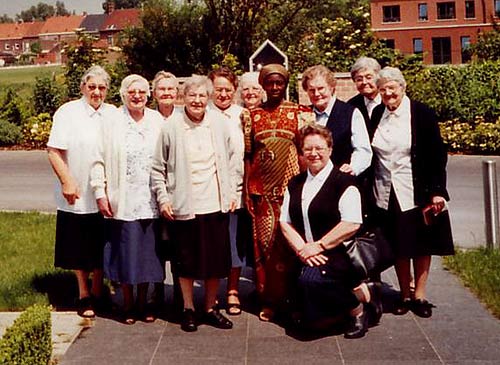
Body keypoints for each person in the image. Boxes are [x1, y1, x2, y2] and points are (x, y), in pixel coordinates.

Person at [151, 75, 239, 332]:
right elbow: (158, 167)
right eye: (192, 96)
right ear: (183, 98)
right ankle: (188, 308)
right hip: (184, 206)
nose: (197, 100)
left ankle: (210, 308)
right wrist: (164, 197)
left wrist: (232, 193)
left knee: (215, 262)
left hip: (216, 203)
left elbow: (233, 162)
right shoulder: (172, 127)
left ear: (208, 98)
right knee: (186, 261)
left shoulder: (220, 124)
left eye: (202, 96)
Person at [280, 124, 380, 338]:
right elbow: (284, 222)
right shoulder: (295, 183)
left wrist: (319, 246)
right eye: (308, 149)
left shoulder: (344, 182)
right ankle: (351, 298)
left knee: (311, 282)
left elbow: (351, 223)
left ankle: (359, 310)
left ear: (330, 149)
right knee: (298, 307)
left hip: (338, 253)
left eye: (319, 148)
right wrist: (302, 250)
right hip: (306, 252)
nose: (313, 153)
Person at [369, 67, 454, 318]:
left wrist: (438, 190)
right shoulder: (376, 114)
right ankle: (404, 294)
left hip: (416, 188)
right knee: (398, 244)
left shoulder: (421, 113)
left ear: (403, 88)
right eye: (383, 89)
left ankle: (420, 295)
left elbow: (437, 154)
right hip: (385, 191)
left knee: (421, 244)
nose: (388, 94)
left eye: (392, 88)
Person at [242, 63, 315, 322]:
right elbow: (248, 157)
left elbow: (307, 154)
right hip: (262, 193)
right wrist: (248, 192)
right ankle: (269, 300)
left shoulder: (301, 113)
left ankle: (294, 299)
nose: (274, 88)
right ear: (263, 85)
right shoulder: (251, 116)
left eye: (279, 83)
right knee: (266, 247)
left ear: (285, 84)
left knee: (292, 246)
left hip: (291, 191)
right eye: (269, 83)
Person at [90, 74, 165, 325]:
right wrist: (100, 192)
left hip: (151, 199)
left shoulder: (156, 121)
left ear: (148, 95)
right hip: (123, 199)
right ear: (123, 95)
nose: (137, 96)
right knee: (125, 253)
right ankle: (128, 304)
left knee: (147, 254)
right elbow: (97, 159)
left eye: (142, 92)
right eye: (132, 92)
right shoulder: (112, 122)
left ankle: (144, 303)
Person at [47, 65, 115, 319]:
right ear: (82, 88)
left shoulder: (113, 114)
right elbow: (54, 151)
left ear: (107, 90)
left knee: (101, 240)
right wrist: (66, 180)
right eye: (92, 86)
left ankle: (99, 290)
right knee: (78, 243)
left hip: (105, 191)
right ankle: (83, 292)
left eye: (101, 87)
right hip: (75, 190)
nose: (96, 92)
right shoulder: (68, 112)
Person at [208, 67, 246, 316]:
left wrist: (236, 190)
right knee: (211, 242)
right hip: (207, 189)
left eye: (227, 90)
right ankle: (211, 293)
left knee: (234, 241)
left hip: (236, 187)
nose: (223, 94)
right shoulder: (201, 113)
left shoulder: (242, 115)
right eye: (218, 89)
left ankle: (232, 290)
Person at [301, 65, 372, 177]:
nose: (316, 94)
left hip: (341, 181)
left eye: (320, 88)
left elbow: (363, 150)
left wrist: (353, 167)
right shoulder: (304, 115)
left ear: (331, 87)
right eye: (311, 90)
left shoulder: (350, 113)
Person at [151, 70, 182, 312]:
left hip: (178, 189)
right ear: (154, 93)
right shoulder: (149, 119)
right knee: (157, 243)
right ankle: (157, 287)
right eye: (162, 89)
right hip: (151, 189)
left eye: (170, 89)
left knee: (178, 243)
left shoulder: (184, 118)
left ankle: (182, 291)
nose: (166, 93)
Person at [348, 57, 382, 127]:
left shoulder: (389, 101)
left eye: (368, 77)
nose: (364, 82)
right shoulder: (351, 105)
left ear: (378, 78)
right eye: (359, 79)